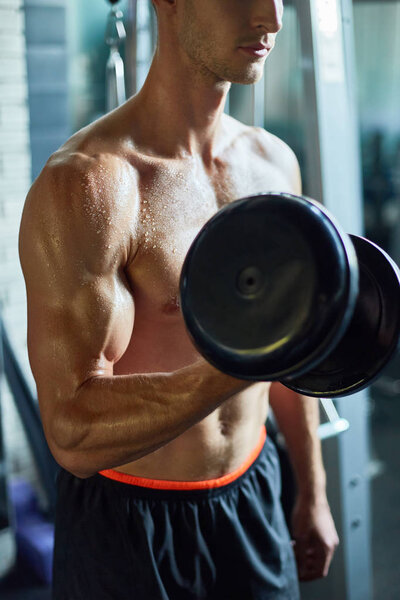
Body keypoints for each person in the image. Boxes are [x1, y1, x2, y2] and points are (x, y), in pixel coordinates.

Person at [19, 0, 339, 598]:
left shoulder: (273, 165)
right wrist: (245, 362)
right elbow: (71, 431)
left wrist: (312, 491)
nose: (269, 19)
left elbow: (291, 358)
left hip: (254, 492)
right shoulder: (89, 187)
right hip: (129, 523)